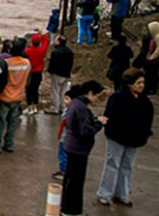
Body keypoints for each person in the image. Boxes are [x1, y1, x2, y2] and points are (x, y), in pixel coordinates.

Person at [96, 68, 154, 206]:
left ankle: (122, 194)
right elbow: (108, 116)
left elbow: (147, 119)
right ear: (130, 83)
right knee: (112, 164)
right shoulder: (118, 98)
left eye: (142, 82)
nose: (141, 85)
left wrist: (144, 134)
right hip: (117, 137)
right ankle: (105, 193)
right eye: (138, 82)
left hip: (134, 139)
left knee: (127, 166)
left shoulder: (144, 101)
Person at [61, 81, 108, 216]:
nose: (96, 99)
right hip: (78, 148)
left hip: (71, 145)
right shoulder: (82, 108)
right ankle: (72, 210)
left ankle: (66, 207)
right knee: (76, 182)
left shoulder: (75, 103)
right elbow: (85, 131)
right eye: (96, 96)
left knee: (70, 180)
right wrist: (99, 123)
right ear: (90, 93)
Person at [0, 39, 31, 154]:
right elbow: (27, 80)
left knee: (0, 122)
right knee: (12, 122)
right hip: (18, 96)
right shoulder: (26, 63)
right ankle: (9, 144)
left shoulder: (6, 63)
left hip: (4, 96)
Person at [52, 87, 79, 181]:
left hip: (66, 139)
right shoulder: (67, 110)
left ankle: (64, 171)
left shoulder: (72, 112)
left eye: (67, 99)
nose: (65, 101)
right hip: (64, 137)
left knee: (63, 155)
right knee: (62, 154)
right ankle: (63, 169)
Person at [24, 30, 50, 115]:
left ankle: (29, 107)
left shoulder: (28, 51)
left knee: (28, 90)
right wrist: (42, 34)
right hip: (38, 72)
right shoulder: (42, 50)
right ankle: (34, 107)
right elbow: (46, 41)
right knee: (35, 89)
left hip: (29, 72)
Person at [47, 35, 74, 114]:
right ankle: (63, 107)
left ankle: (54, 108)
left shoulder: (55, 52)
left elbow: (52, 64)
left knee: (55, 91)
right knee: (64, 92)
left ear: (59, 42)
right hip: (66, 74)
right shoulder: (70, 52)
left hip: (57, 74)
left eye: (56, 40)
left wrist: (50, 71)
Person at [133, 22, 159, 96]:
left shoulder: (157, 37)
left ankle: (150, 89)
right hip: (151, 59)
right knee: (151, 74)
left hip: (152, 60)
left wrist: (151, 57)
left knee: (151, 75)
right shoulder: (153, 37)